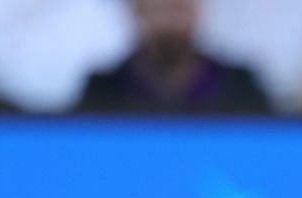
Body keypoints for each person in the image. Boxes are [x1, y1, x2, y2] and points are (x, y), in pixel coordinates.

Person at [76, 0, 272, 114]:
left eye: (179, 9)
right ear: (137, 10)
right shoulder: (101, 90)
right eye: (161, 8)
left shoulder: (241, 86)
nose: (171, 22)